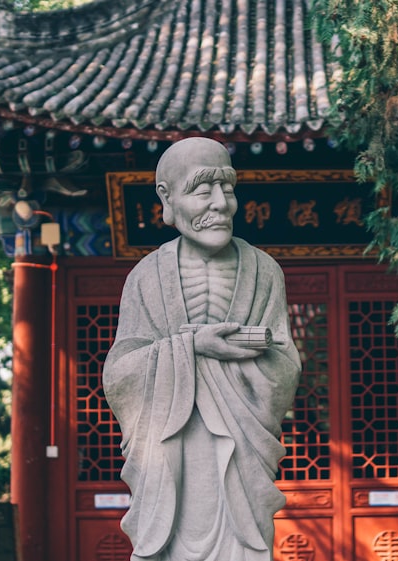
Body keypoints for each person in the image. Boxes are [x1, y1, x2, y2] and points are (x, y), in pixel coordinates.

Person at [103, 137, 301, 561]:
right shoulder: (146, 277)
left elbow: (286, 364)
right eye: (201, 189)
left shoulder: (264, 271)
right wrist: (191, 347)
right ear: (167, 197)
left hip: (242, 444)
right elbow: (119, 373)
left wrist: (250, 353)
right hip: (174, 447)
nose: (220, 203)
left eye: (228, 188)